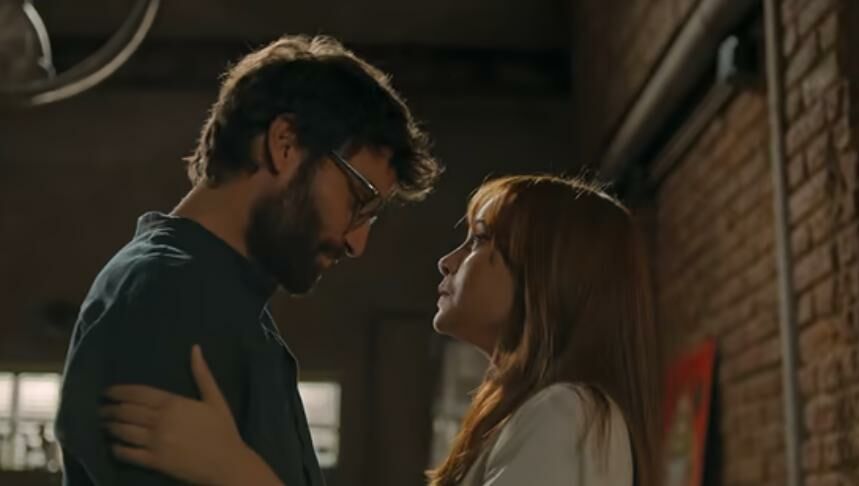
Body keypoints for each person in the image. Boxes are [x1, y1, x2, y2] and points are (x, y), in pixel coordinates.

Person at [55, 34, 442, 486]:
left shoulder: (223, 300)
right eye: (359, 201)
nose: (358, 243)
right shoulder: (171, 294)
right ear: (285, 143)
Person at [99, 175, 660, 486]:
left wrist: (234, 470)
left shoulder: (566, 414)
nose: (447, 260)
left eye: (479, 240)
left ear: (546, 273)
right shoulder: (550, 413)